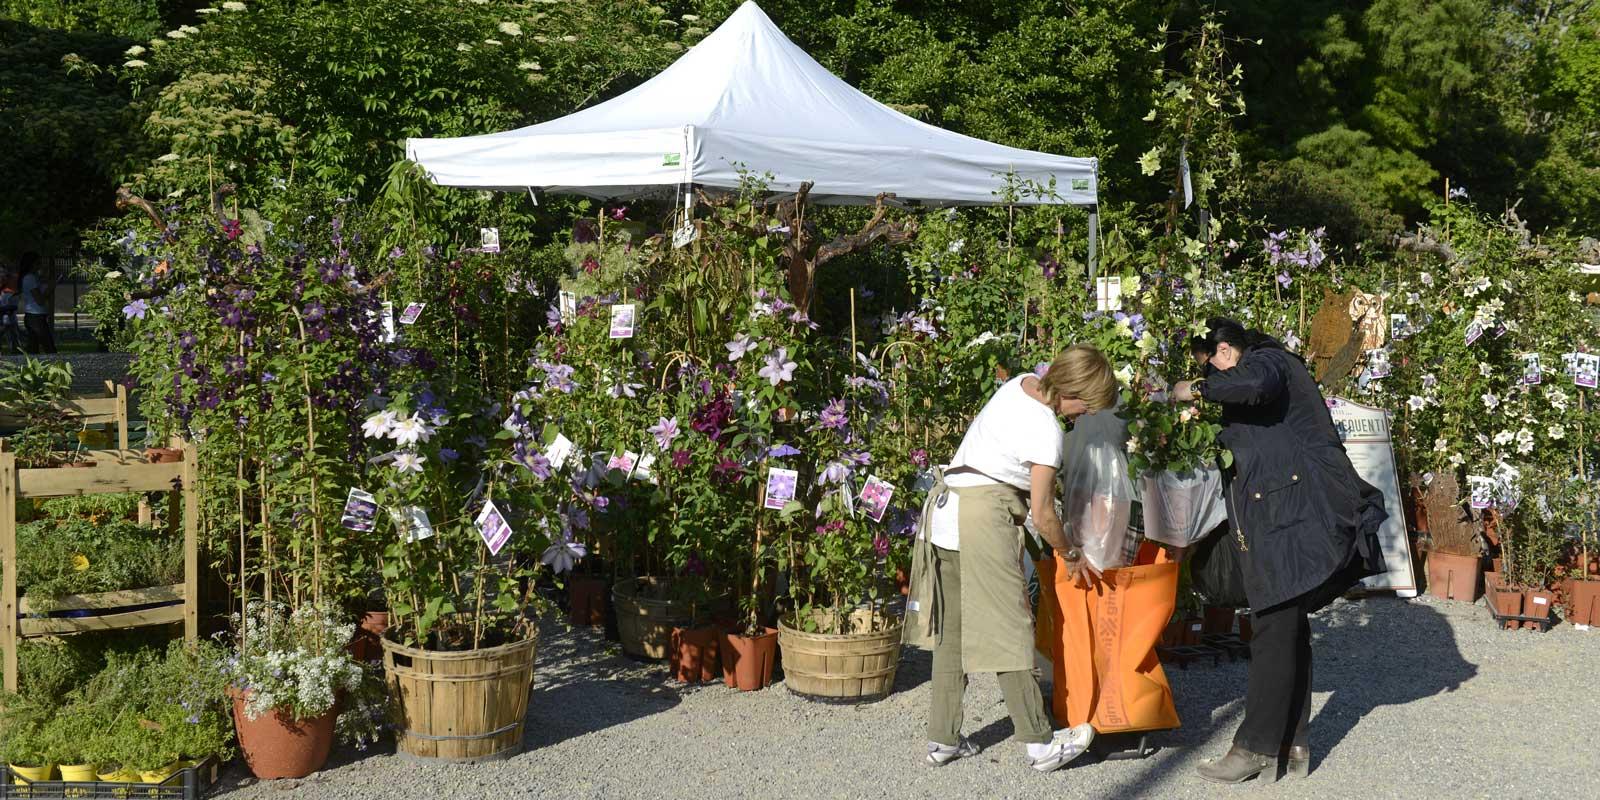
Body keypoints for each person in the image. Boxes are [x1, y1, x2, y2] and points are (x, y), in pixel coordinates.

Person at [1171, 318, 1385, 784]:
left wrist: (1196, 390)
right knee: (1284, 626)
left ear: (1226, 351)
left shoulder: (1270, 362)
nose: (1214, 378)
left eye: (1212, 366)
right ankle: (1293, 742)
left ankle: (1256, 747)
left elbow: (1255, 384)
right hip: (1284, 515)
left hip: (1298, 518)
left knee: (1272, 626)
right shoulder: (1260, 369)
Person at [905, 344, 1119, 772]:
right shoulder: (1047, 431)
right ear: (1074, 392)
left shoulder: (1019, 385)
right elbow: (1042, 514)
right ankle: (1041, 745)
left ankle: (942, 739)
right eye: (1088, 406)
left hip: (946, 515)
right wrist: (1070, 552)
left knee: (953, 635)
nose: (1084, 416)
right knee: (1011, 628)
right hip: (983, 519)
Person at [17, 253, 55, 354]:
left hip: (36, 317)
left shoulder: (34, 277)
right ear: (31, 264)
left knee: (34, 350)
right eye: (38, 263)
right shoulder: (30, 278)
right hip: (35, 318)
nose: (40, 266)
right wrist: (50, 288)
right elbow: (40, 300)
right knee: (49, 348)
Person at [0, 265, 21, 354]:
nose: (2, 278)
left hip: (8, 320)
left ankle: (16, 352)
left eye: (3, 276)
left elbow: (14, 305)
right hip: (4, 319)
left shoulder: (9, 290)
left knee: (13, 338)